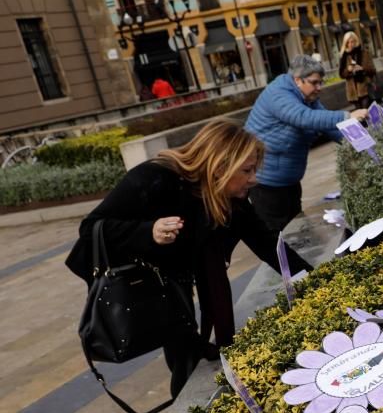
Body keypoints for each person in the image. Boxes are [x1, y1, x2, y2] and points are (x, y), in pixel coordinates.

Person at [66, 120, 312, 398]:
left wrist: (314, 281)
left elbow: (265, 242)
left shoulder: (231, 196)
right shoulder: (155, 178)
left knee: (193, 348)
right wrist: (149, 232)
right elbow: (90, 228)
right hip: (151, 280)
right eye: (247, 170)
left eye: (254, 169)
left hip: (181, 273)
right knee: (184, 353)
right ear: (220, 166)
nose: (254, 178)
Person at [244, 55, 367, 232]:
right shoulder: (278, 94)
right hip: (267, 182)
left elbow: (330, 127)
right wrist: (347, 116)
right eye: (314, 82)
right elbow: (304, 118)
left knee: (298, 231)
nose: (319, 88)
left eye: (321, 82)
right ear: (297, 80)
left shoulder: (308, 98)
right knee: (279, 235)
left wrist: (363, 143)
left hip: (290, 179)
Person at [338, 31, 376, 110]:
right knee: (360, 115)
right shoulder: (344, 56)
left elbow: (373, 70)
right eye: (348, 42)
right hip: (353, 91)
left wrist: (362, 69)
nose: (350, 44)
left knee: (367, 111)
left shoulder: (364, 53)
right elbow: (341, 74)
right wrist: (348, 70)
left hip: (365, 88)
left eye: (352, 41)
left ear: (356, 41)